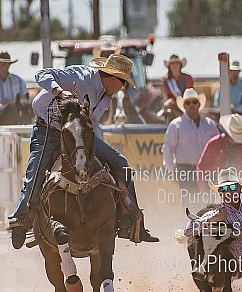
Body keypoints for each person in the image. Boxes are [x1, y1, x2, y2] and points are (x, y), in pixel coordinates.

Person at [8, 53, 158, 249]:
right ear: (112, 78)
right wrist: (60, 92)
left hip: (82, 135)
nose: (123, 87)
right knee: (35, 174)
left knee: (120, 163)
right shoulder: (80, 76)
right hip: (49, 130)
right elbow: (42, 74)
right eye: (123, 82)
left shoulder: (106, 96)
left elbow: (93, 122)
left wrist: (97, 148)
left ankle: (131, 220)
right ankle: (21, 219)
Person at [162, 88, 219, 205]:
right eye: (188, 103)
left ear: (199, 104)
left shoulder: (210, 124)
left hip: (208, 170)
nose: (191, 105)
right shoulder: (176, 125)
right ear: (184, 105)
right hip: (186, 170)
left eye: (194, 102)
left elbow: (218, 146)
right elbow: (167, 148)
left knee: (210, 204)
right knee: (189, 204)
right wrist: (171, 170)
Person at [197, 113, 242, 180]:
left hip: (237, 182)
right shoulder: (215, 144)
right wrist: (203, 188)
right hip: (215, 182)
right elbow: (203, 167)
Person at [162, 54, 194, 118]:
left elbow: (190, 94)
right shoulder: (166, 80)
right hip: (172, 107)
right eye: (172, 64)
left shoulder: (187, 78)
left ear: (180, 66)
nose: (175, 66)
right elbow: (166, 96)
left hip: (186, 106)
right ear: (169, 67)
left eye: (177, 64)